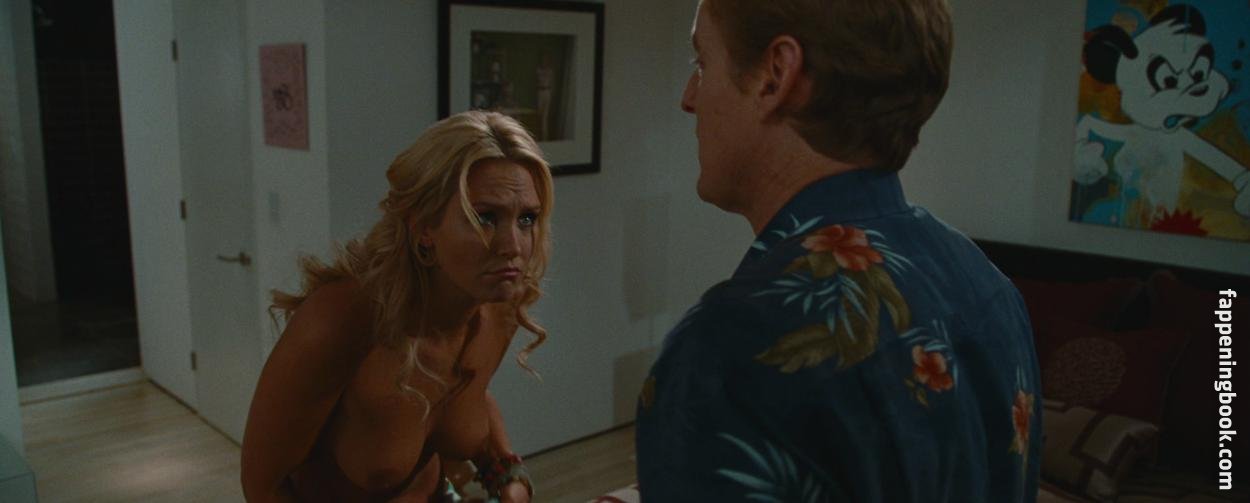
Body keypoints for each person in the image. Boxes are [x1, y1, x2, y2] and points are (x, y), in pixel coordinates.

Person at [635, 1, 1043, 501]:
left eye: (703, 62)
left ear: (775, 76)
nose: (689, 97)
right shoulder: (988, 284)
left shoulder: (729, 352)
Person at [241, 110, 553, 503]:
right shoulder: (341, 319)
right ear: (424, 228)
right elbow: (263, 487)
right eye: (485, 217)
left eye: (527, 219)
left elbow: (466, 396)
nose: (513, 246)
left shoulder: (497, 308)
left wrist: (509, 477)